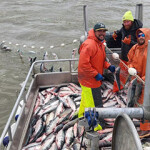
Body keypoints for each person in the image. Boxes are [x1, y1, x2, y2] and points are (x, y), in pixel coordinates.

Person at [78, 22, 115, 130]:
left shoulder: (100, 44)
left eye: (103, 31)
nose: (102, 33)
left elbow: (101, 60)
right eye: (99, 31)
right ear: (94, 32)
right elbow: (83, 64)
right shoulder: (89, 45)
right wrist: (96, 74)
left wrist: (108, 66)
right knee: (95, 103)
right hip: (88, 80)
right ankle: (96, 126)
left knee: (86, 98)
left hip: (93, 78)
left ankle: (81, 114)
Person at [112, 10, 143, 92]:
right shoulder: (123, 28)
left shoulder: (139, 31)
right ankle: (116, 91)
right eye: (124, 22)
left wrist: (130, 43)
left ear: (132, 21)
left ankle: (134, 95)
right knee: (121, 76)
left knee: (135, 79)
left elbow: (142, 45)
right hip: (124, 57)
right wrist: (115, 35)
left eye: (128, 21)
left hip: (135, 60)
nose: (126, 23)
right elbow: (119, 33)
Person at [127, 28, 150, 136]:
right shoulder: (134, 48)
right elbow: (130, 60)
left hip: (146, 83)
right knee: (133, 100)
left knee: (145, 104)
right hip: (135, 80)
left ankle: (145, 129)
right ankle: (137, 116)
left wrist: (144, 79)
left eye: (143, 35)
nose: (140, 37)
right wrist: (131, 69)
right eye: (139, 35)